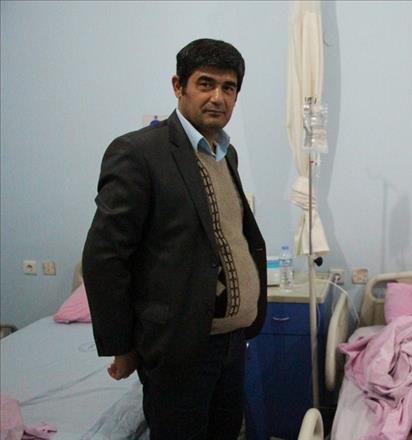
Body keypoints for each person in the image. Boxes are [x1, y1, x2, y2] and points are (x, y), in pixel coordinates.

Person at [82, 38, 267, 440]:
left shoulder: (225, 154)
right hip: (180, 347)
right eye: (206, 83)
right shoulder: (139, 153)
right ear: (178, 86)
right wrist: (123, 345)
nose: (218, 97)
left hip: (232, 343)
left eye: (229, 87)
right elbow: (104, 256)